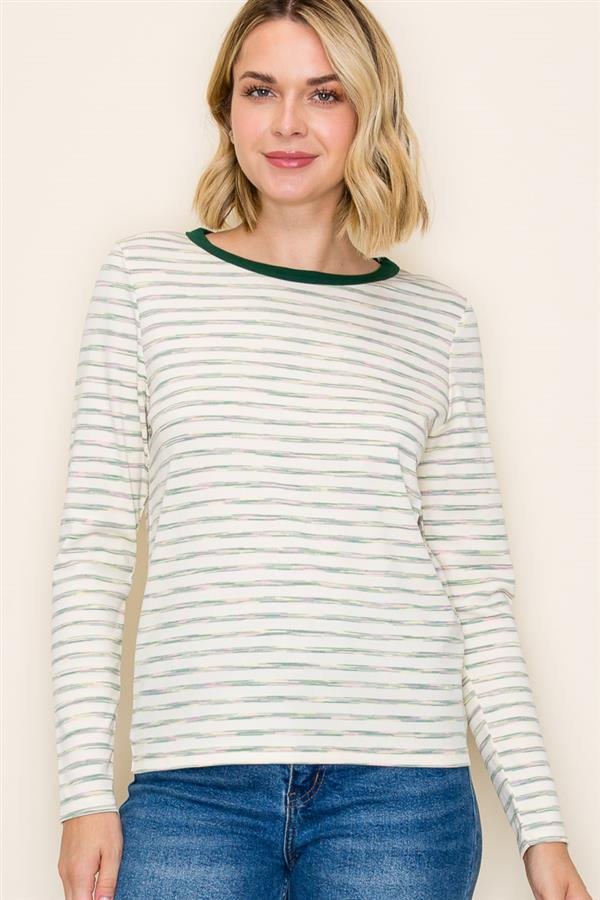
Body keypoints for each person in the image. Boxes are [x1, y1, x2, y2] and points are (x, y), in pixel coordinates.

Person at [52, 1, 592, 898]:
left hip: (400, 796)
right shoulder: (144, 283)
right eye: (261, 90)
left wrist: (542, 829)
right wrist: (81, 793)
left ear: (368, 112)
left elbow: (476, 594)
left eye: (325, 93)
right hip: (194, 788)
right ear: (228, 108)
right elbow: (94, 551)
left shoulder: (437, 324)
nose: (289, 123)